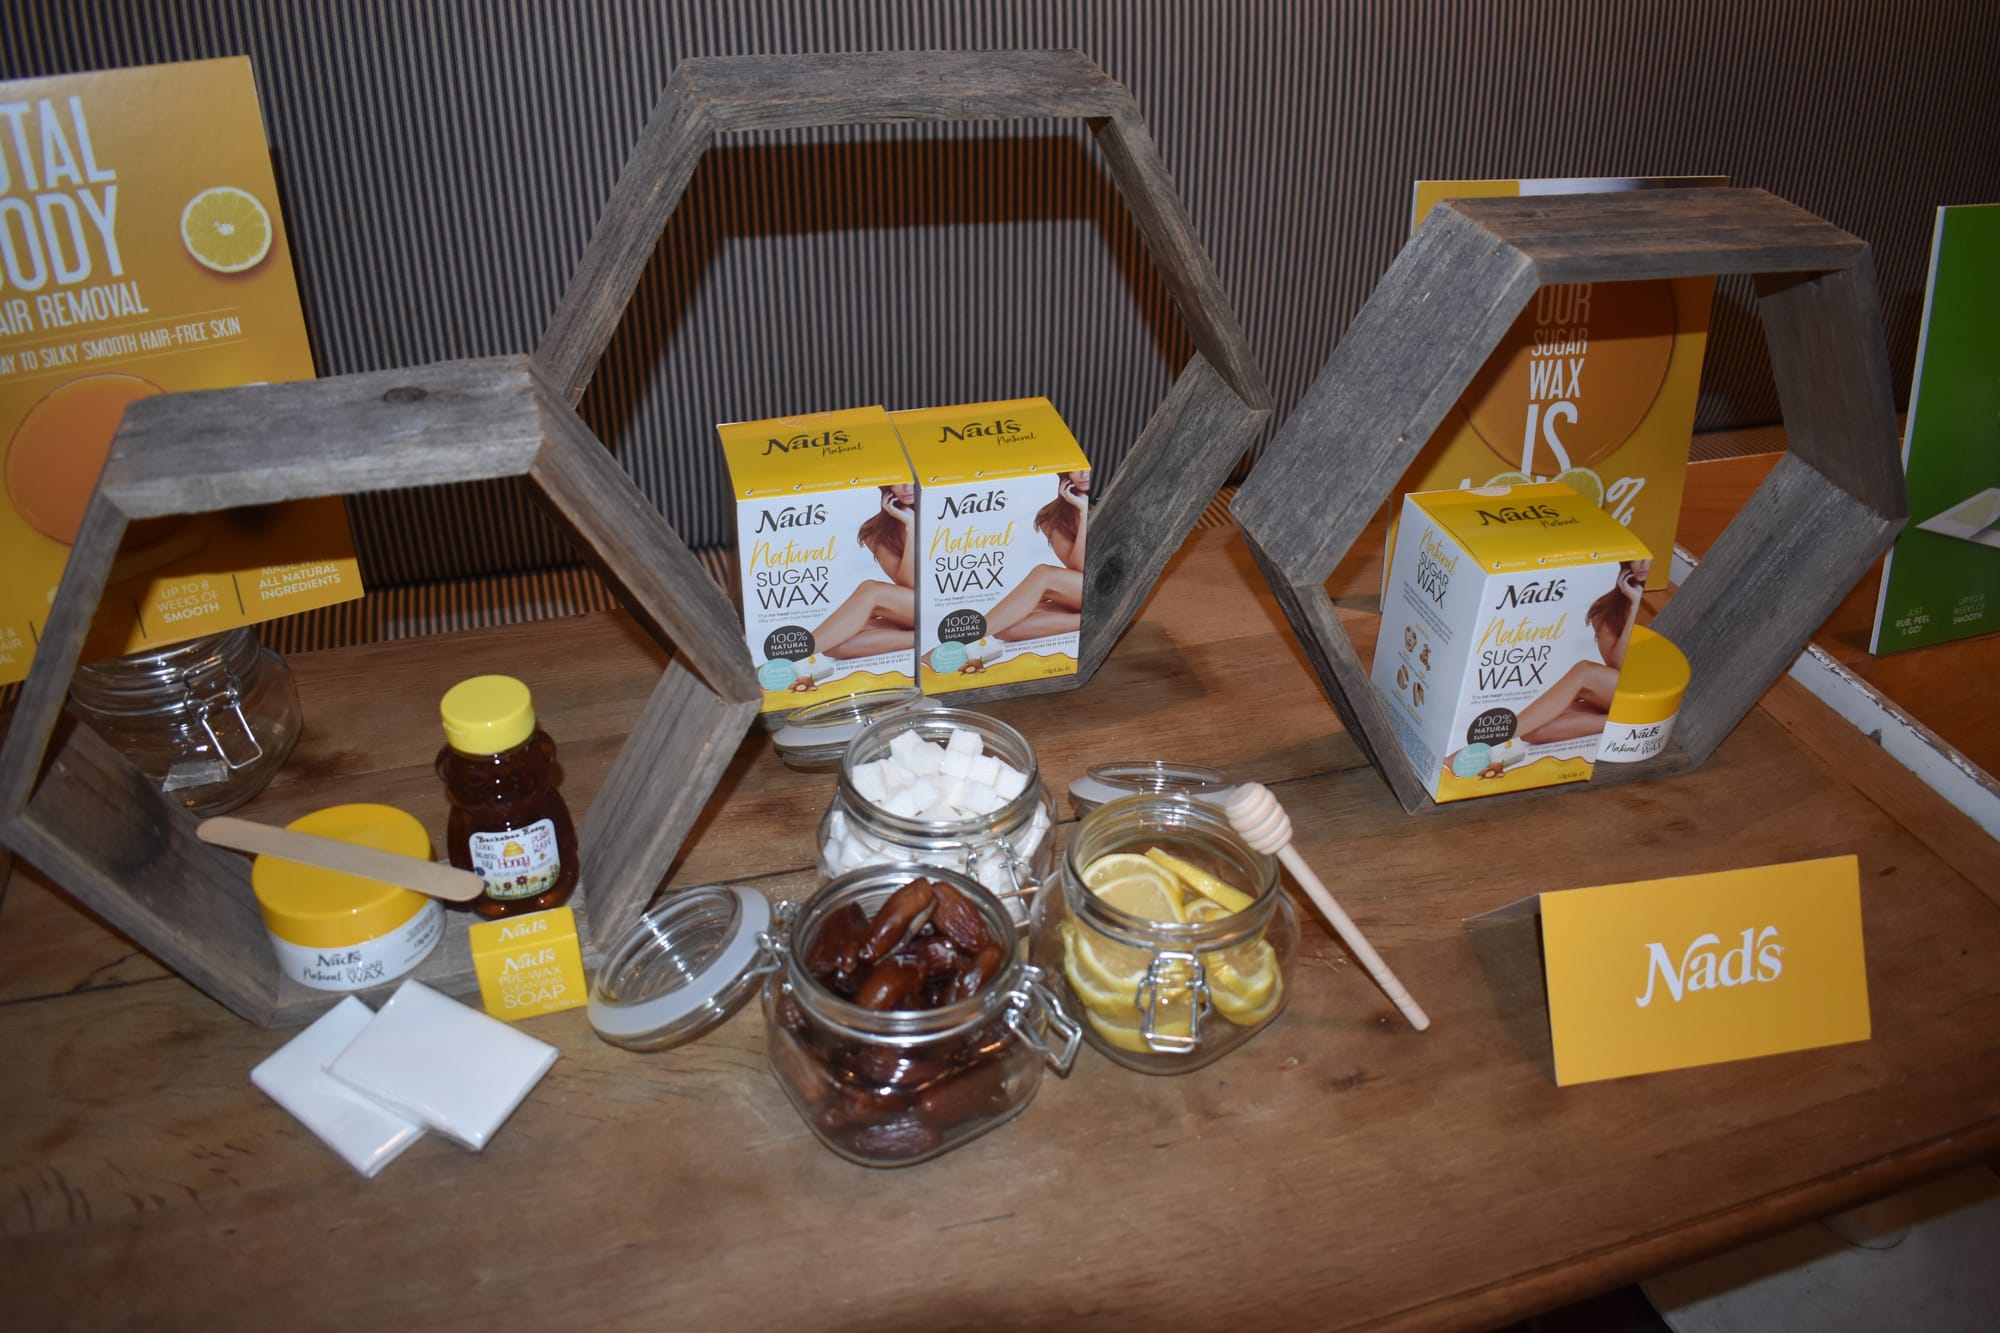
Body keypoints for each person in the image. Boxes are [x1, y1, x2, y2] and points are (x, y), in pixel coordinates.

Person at [1512, 558, 1649, 743]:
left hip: (1647, 692)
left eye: (1647, 560)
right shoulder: (1606, 608)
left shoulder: (1656, 600)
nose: (1644, 565)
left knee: (1585, 671)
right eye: (1638, 560)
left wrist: (1636, 606)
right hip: (1618, 693)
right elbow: (1618, 665)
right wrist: (1633, 605)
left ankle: (1496, 737)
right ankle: (1622, 720)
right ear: (1627, 563)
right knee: (1532, 730)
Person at [809, 484, 916, 659]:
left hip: (943, 604)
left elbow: (914, 585)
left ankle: (795, 653)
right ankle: (924, 636)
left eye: (911, 480)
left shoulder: (944, 513)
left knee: (872, 590)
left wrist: (913, 527)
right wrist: (911, 529)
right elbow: (908, 584)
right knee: (834, 644)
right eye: (899, 481)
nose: (906, 487)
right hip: (913, 610)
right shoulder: (876, 531)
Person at [980, 470, 1089, 642]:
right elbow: (1078, 568)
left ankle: (968, 635)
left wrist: (1085, 512)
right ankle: (1089, 618)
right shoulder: (1051, 516)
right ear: (1065, 473)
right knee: (1004, 628)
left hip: (1109, 588)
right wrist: (1083, 514)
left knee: (1044, 574)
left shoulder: (1113, 500)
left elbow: (1089, 570)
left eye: (1089, 469)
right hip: (1081, 593)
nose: (1084, 475)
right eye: (1077, 469)